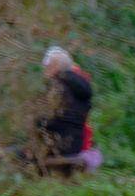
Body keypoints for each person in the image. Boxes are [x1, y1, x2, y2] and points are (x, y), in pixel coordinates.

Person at [29, 45, 96, 176]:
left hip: (59, 147)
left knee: (17, 154)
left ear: (55, 67)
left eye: (47, 67)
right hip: (76, 145)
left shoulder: (58, 87)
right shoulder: (81, 85)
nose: (44, 71)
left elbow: (49, 121)